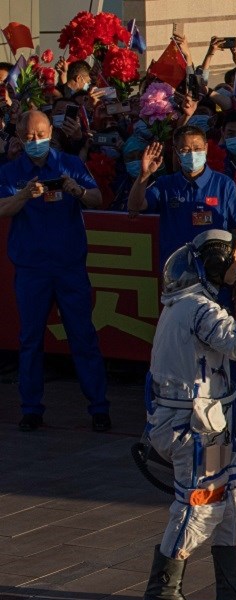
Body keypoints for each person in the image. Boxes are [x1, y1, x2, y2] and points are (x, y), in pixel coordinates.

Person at [139, 230, 236, 600]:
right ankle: (161, 593)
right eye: (235, 260)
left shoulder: (188, 303)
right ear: (219, 264)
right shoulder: (198, 308)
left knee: (235, 499)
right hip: (194, 427)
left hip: (207, 426)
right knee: (201, 505)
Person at [0, 110, 110, 432]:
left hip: (69, 268)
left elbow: (97, 198)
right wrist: (23, 195)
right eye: (29, 136)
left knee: (83, 337)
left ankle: (99, 407)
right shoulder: (11, 171)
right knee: (31, 340)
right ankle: (31, 408)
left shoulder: (70, 164)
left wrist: (77, 190)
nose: (36, 141)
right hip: (32, 270)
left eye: (41, 134)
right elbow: (2, 208)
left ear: (51, 131)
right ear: (19, 138)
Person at [127, 127, 236, 286]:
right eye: (185, 150)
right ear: (176, 152)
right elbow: (135, 206)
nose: (192, 154)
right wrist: (144, 175)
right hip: (177, 277)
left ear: (206, 148)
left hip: (217, 276)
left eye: (197, 149)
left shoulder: (224, 184)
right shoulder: (166, 184)